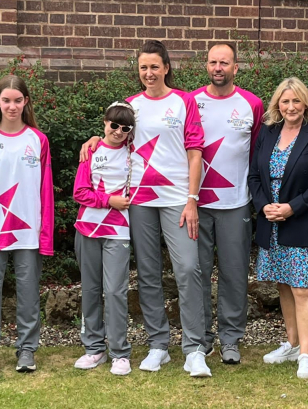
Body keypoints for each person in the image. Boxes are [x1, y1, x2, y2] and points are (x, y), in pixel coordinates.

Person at [79, 40, 211, 378]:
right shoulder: (132, 106)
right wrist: (94, 140)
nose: (148, 73)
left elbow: (195, 152)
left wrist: (192, 199)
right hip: (138, 201)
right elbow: (113, 135)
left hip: (177, 200)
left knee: (188, 268)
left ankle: (195, 348)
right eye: (143, 68)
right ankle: (158, 345)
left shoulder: (185, 101)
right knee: (149, 274)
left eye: (154, 66)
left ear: (167, 67)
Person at [0, 75, 54, 379]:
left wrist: (45, 234)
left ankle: (27, 349)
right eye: (6, 100)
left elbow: (46, 192)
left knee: (29, 293)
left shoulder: (38, 140)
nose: (12, 106)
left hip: (28, 232)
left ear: (26, 102)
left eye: (18, 100)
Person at [249, 77, 308, 379]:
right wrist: (264, 206)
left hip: (302, 220)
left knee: (302, 288)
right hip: (270, 220)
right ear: (277, 105)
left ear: (305, 103)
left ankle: (306, 355)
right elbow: (254, 177)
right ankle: (291, 342)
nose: (290, 107)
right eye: (285, 101)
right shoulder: (268, 133)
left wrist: (291, 207)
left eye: (296, 101)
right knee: (283, 284)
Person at [191, 43, 263, 365]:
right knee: (199, 272)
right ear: (206, 66)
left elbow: (258, 153)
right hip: (197, 204)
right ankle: (202, 337)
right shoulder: (191, 101)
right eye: (213, 62)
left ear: (236, 67)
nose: (218, 67)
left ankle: (230, 339)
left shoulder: (252, 104)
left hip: (236, 203)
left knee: (234, 274)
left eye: (225, 62)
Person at [72, 101, 137, 376]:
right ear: (104, 122)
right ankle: (94, 348)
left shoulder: (135, 154)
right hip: (87, 229)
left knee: (114, 292)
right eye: (113, 124)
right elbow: (79, 192)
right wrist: (109, 200)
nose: (118, 131)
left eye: (125, 127)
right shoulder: (92, 151)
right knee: (90, 290)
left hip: (118, 231)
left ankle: (120, 352)